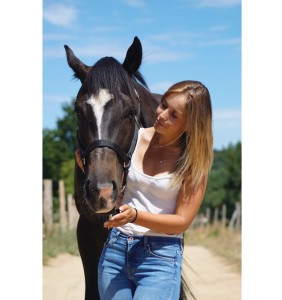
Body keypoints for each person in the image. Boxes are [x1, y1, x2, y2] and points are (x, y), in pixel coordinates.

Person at [77, 80, 213, 300]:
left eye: (174, 115)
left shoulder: (194, 161)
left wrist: (136, 216)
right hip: (115, 251)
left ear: (191, 124)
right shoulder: (133, 139)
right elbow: (111, 181)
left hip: (160, 258)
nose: (162, 114)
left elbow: (182, 221)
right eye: (163, 104)